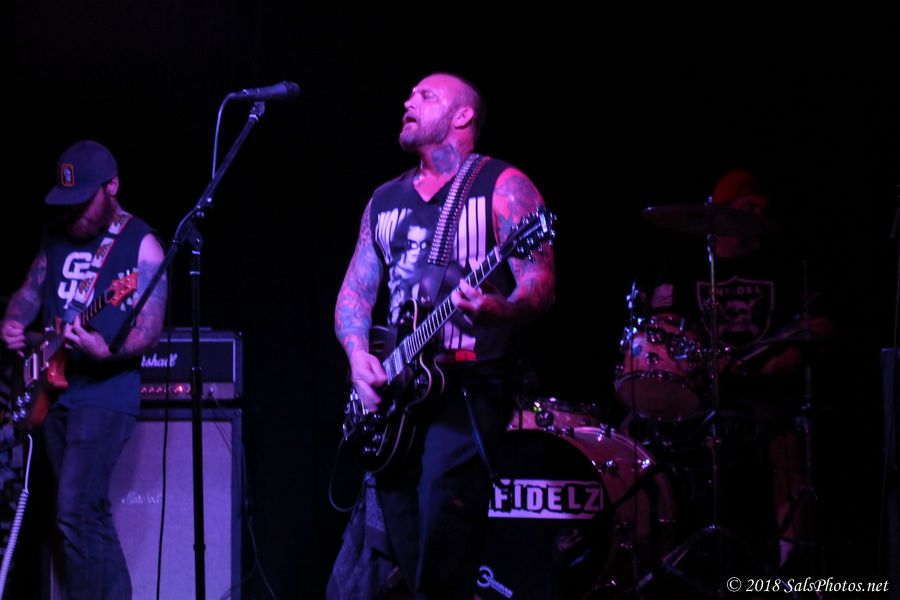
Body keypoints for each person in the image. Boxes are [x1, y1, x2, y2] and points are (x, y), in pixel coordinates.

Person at [330, 73, 555, 598]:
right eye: (410, 94)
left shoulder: (503, 185)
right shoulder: (384, 199)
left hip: (468, 389)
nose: (408, 101)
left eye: (425, 95)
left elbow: (541, 283)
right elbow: (354, 295)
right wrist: (359, 356)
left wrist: (502, 308)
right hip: (398, 396)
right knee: (406, 540)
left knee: (441, 517)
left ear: (462, 116)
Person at [1, 140, 167, 599]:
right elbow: (30, 290)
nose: (74, 211)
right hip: (54, 390)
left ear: (112, 187)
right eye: (67, 201)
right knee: (85, 514)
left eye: (83, 200)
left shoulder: (142, 245)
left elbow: (150, 328)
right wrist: (14, 321)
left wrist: (105, 351)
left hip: (105, 393)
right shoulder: (55, 236)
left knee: (74, 512)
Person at [645, 169, 832, 571]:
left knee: (787, 446)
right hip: (701, 387)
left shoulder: (781, 265)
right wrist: (697, 360)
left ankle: (790, 566)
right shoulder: (684, 266)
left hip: (764, 390)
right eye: (749, 208)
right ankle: (666, 554)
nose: (757, 217)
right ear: (723, 213)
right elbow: (661, 328)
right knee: (649, 433)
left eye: (763, 210)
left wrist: (789, 357)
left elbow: (818, 323)